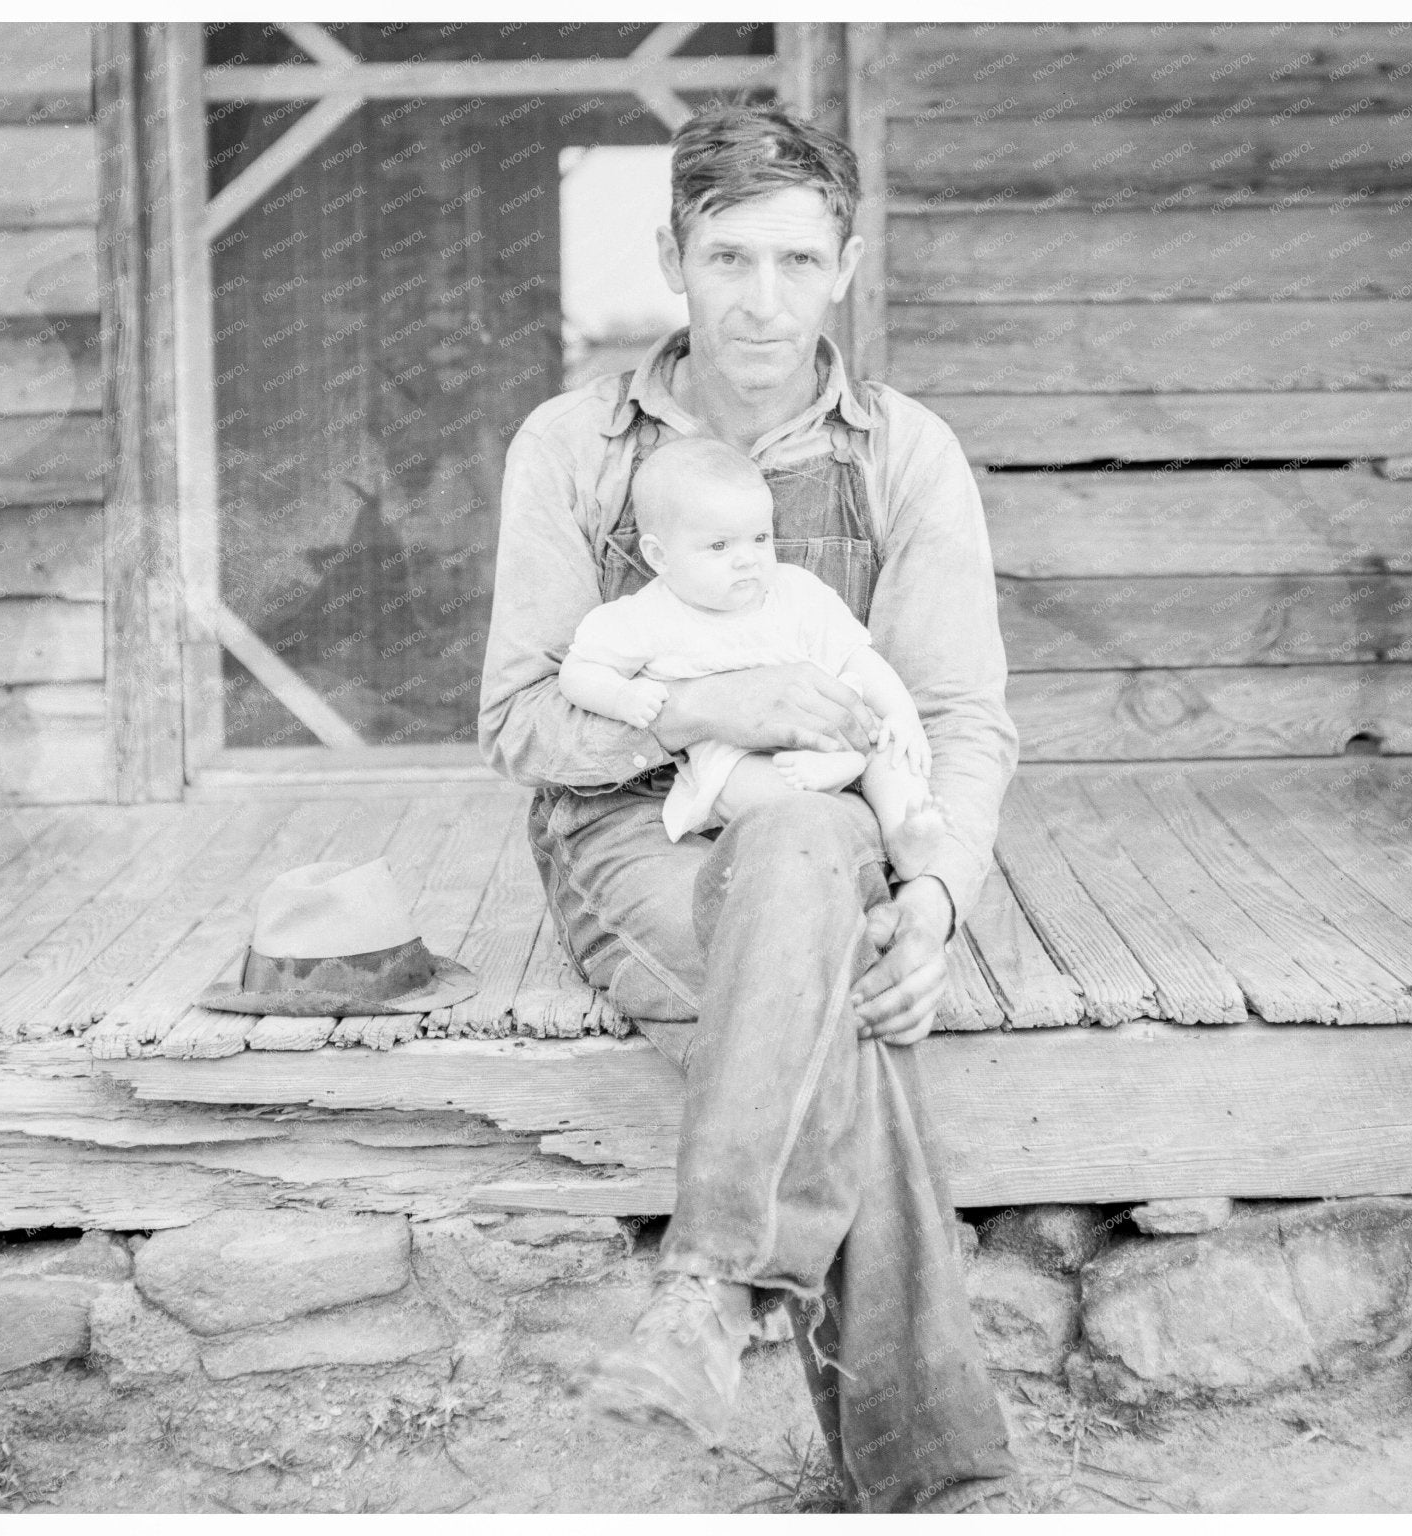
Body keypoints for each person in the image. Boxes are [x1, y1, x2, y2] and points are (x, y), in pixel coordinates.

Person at [478, 101, 1020, 1514]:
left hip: (835, 828)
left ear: (846, 265)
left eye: (796, 260)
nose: (762, 300)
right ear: (673, 258)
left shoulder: (905, 454)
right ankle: (934, 1479)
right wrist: (707, 710)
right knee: (831, 1018)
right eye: (729, 259)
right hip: (636, 831)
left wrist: (941, 898)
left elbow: (957, 719)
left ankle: (709, 1296)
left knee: (802, 857)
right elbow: (519, 719)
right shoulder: (576, 446)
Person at [556, 435, 948, 880]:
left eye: (760, 538)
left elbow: (856, 657)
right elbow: (578, 671)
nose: (748, 560)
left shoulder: (795, 591)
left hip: (834, 724)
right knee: (745, 788)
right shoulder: (646, 618)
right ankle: (837, 783)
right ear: (658, 555)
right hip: (736, 754)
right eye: (719, 546)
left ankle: (907, 838)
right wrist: (620, 697)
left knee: (894, 753)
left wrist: (901, 714)